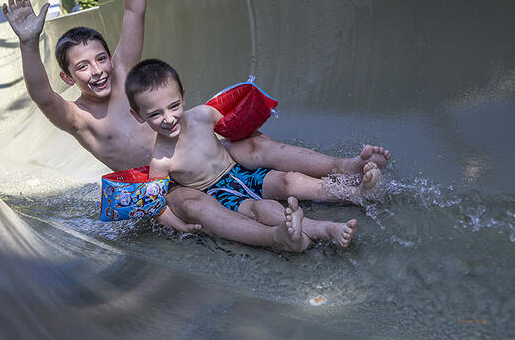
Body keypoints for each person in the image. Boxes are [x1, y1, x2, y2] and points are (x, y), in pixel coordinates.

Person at [2, 0, 390, 251]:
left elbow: (134, 10)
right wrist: (27, 43)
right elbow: (42, 96)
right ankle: (271, 235)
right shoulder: (78, 118)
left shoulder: (122, 73)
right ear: (68, 77)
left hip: (201, 154)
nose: (98, 70)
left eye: (100, 58)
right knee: (195, 204)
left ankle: (348, 169)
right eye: (82, 66)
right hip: (167, 181)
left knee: (256, 146)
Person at [126, 58, 382, 251]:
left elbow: (243, 131)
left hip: (240, 171)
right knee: (262, 209)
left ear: (182, 97)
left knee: (289, 180)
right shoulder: (160, 159)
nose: (168, 119)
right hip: (220, 194)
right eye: (155, 114)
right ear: (139, 116)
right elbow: (155, 203)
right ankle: (323, 230)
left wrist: (268, 148)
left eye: (173, 106)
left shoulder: (202, 115)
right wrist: (179, 225)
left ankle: (354, 192)